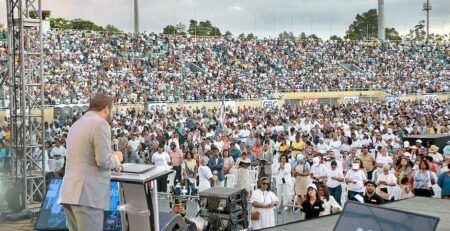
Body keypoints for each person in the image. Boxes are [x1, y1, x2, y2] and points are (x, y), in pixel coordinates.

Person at [59, 94, 123, 231]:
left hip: (70, 193)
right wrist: (117, 158)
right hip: (88, 196)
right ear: (106, 109)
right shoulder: (100, 123)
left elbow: (85, 156)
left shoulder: (76, 125)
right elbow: (104, 161)